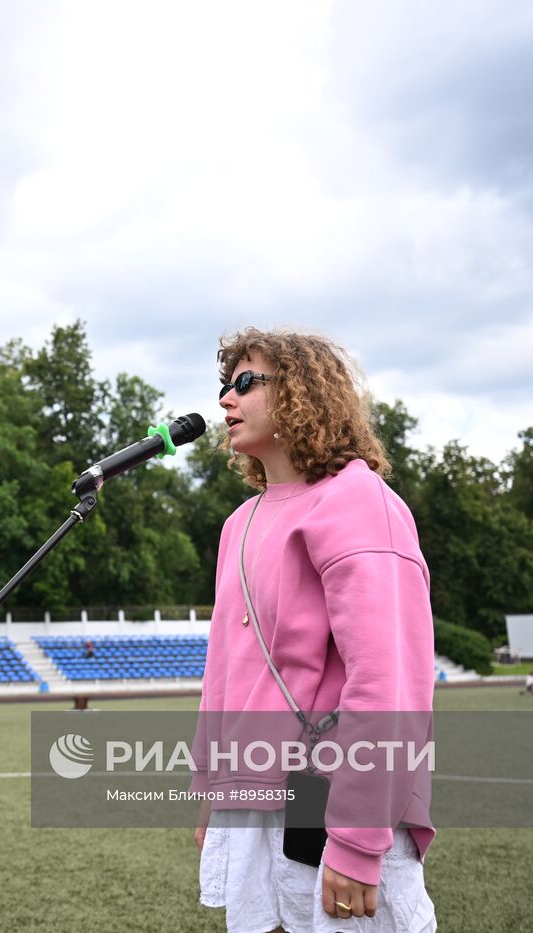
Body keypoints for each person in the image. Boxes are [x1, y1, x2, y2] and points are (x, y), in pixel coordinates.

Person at [194, 328, 436, 933]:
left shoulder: (357, 501)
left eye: (246, 382)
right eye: (225, 385)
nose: (227, 398)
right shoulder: (237, 524)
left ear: (303, 393)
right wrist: (211, 788)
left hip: (324, 793)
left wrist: (356, 839)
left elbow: (389, 684)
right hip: (248, 800)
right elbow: (221, 676)